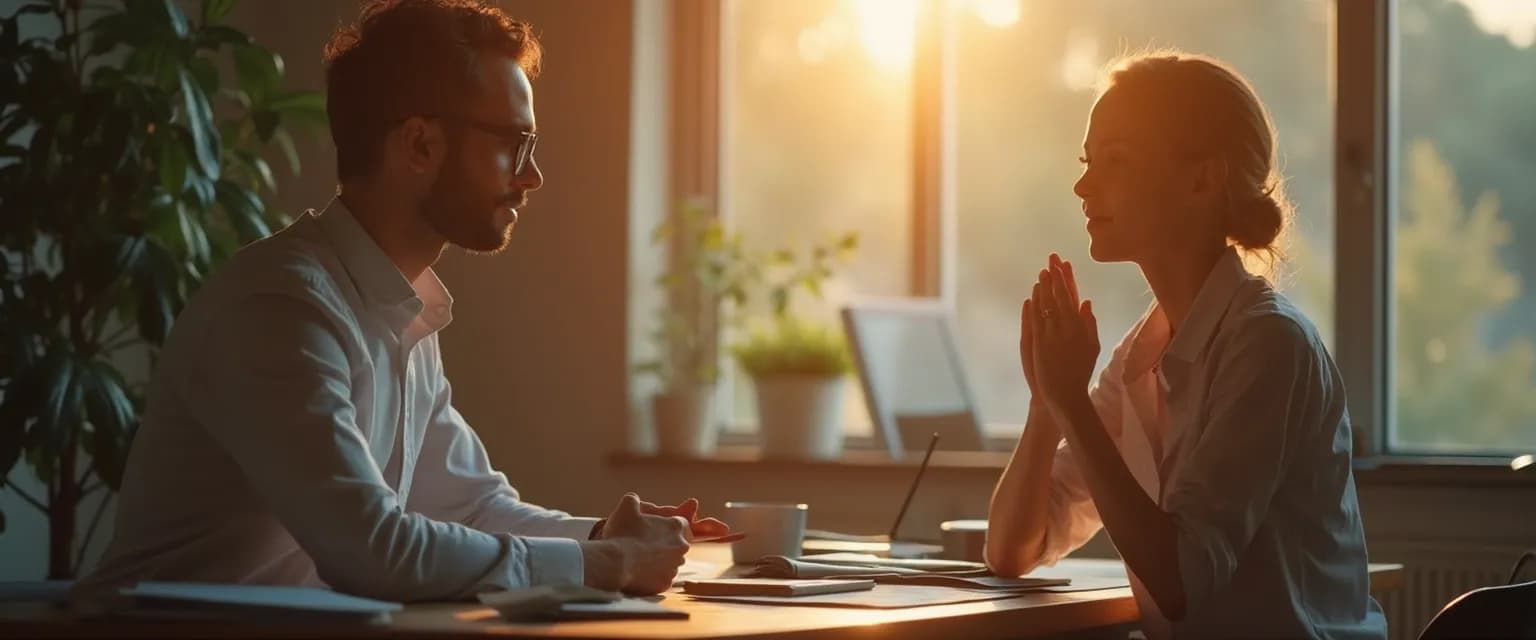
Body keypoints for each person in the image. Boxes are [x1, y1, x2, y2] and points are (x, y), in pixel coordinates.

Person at [75, 0, 725, 602]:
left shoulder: (398, 308)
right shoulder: (280, 307)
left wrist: (607, 538)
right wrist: (606, 565)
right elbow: (375, 551)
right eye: (512, 145)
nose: (532, 176)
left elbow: (472, 508)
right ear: (418, 144)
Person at [984, 51, 1387, 639]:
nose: (1082, 185)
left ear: (1201, 179)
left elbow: (1180, 580)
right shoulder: (1139, 356)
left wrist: (1074, 403)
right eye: (1086, 162)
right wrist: (1047, 404)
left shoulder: (1269, 344)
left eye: (1114, 161)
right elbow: (1013, 552)